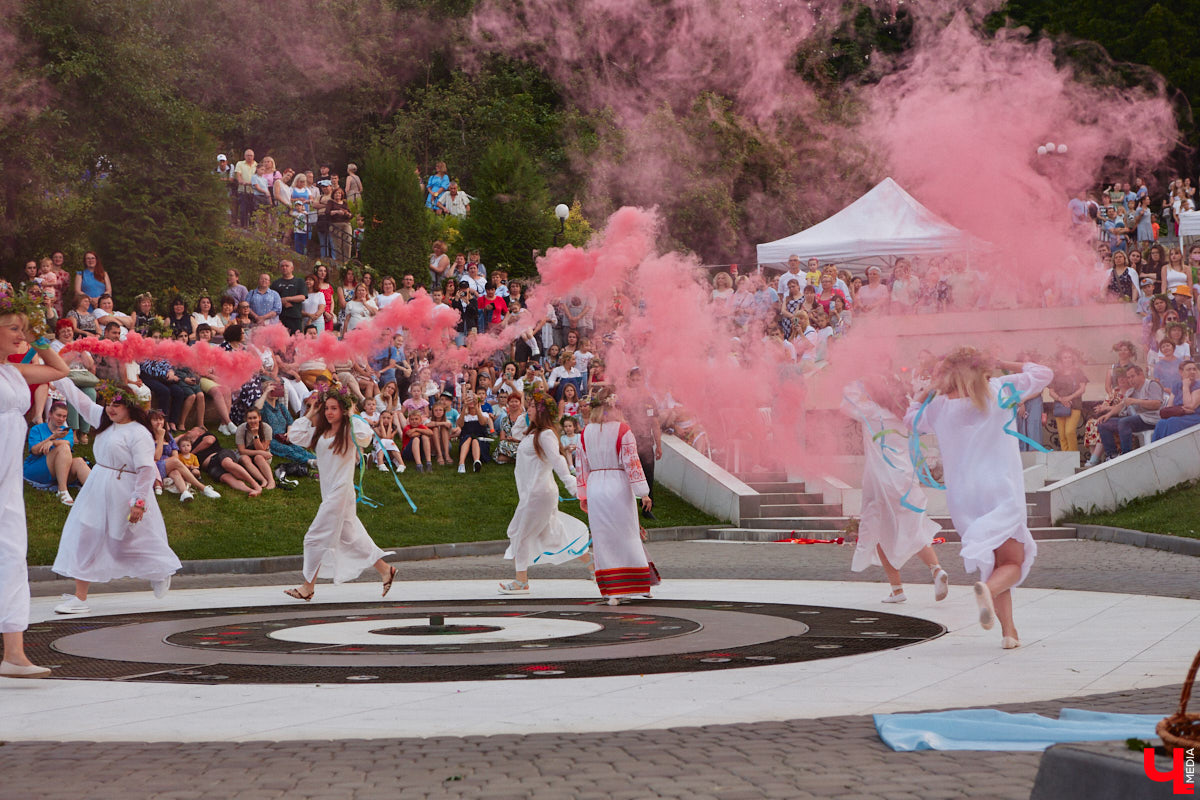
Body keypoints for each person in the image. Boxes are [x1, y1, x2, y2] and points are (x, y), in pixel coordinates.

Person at [906, 349, 1053, 649]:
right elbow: (1043, 374)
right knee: (1013, 561)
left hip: (964, 498)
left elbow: (910, 421)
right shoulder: (999, 390)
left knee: (997, 563)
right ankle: (987, 590)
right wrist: (1004, 363)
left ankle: (1009, 632)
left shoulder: (939, 406)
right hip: (1000, 489)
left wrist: (927, 392)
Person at [49, 379, 182, 615]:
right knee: (84, 534)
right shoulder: (104, 420)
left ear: (129, 407)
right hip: (97, 486)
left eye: (116, 405)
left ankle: (160, 570)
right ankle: (80, 598)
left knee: (128, 542)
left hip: (125, 490)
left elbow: (146, 469)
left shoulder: (139, 433)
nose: (110, 409)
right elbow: (80, 400)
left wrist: (139, 502)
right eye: (108, 403)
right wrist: (59, 376)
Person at [1, 303, 69, 677]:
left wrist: (40, 336)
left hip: (8, 479)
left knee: (13, 553)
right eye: (14, 328)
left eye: (23, 329)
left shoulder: (13, 371)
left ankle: (13, 654)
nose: (20, 335)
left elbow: (60, 370)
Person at [283, 385, 396, 601]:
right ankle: (385, 569)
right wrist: (311, 411)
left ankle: (308, 587)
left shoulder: (349, 431)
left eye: (334, 408)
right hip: (330, 492)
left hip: (341, 491)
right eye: (327, 408)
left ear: (343, 410)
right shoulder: (320, 433)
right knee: (351, 536)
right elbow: (295, 436)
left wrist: (351, 413)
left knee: (314, 537)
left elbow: (366, 436)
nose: (329, 412)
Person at [841, 380, 947, 604]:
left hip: (880, 480)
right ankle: (935, 569)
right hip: (905, 476)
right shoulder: (905, 411)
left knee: (880, 531)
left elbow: (846, 402)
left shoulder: (871, 411)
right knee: (914, 527)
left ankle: (897, 589)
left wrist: (857, 378)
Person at [499, 391, 590, 594]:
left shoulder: (545, 435)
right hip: (532, 494)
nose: (528, 409)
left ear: (541, 411)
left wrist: (574, 487)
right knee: (554, 534)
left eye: (532, 406)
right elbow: (516, 431)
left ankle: (521, 581)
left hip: (538, 494)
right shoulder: (532, 434)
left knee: (520, 533)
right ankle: (592, 565)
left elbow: (558, 461)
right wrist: (526, 415)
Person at [576, 384, 657, 605]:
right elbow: (632, 463)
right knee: (626, 533)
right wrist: (644, 493)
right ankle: (636, 582)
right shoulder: (623, 430)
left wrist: (583, 494)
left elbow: (581, 467)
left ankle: (612, 588)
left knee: (603, 537)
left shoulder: (585, 432)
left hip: (595, 486)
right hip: (618, 484)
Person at [25, 401, 91, 506]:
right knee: (63, 448)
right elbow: (34, 450)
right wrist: (52, 437)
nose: (61, 419)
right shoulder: (37, 429)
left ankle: (97, 493)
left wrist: (53, 442)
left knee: (79, 461)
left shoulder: (66, 431)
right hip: (36, 469)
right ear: (50, 414)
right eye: (58, 415)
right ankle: (62, 490)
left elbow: (68, 443)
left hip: (59, 469)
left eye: (64, 416)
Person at [1096, 365, 1163, 462]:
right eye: (1128, 377)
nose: (1130, 380)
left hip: (1151, 419)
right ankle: (1112, 456)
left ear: (1141, 375)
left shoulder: (1152, 385)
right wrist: (1107, 415)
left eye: (1132, 376)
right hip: (1136, 419)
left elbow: (1157, 404)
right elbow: (1121, 406)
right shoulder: (1131, 391)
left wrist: (1136, 401)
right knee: (1103, 423)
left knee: (1124, 422)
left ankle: (1126, 456)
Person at [1046, 348, 1087, 453]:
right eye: (1065, 357)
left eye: (1069, 357)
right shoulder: (1056, 374)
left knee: (1069, 431)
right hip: (1060, 406)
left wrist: (1069, 398)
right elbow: (1051, 392)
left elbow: (1082, 389)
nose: (1068, 359)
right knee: (1062, 434)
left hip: (1075, 405)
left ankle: (1073, 456)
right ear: (1061, 360)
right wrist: (1061, 399)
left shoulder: (1078, 372)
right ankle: (1066, 456)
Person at [1152, 360, 1200, 441]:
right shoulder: (1177, 385)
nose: (1192, 372)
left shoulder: (1198, 385)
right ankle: (1157, 447)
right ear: (1181, 372)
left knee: (1172, 421)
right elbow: (1169, 406)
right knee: (1161, 423)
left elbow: (1189, 406)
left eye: (1194, 369)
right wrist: (1181, 410)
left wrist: (1185, 387)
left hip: (1195, 417)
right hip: (1180, 414)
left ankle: (1171, 447)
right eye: (1189, 369)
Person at [272, 259, 308, 336]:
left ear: (292, 268)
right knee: (280, 341)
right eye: (282, 266)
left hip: (295, 317)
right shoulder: (275, 283)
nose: (284, 268)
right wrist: (282, 302)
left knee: (296, 340)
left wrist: (287, 299)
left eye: (287, 266)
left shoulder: (300, 281)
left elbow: (302, 297)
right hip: (280, 318)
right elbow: (272, 299)